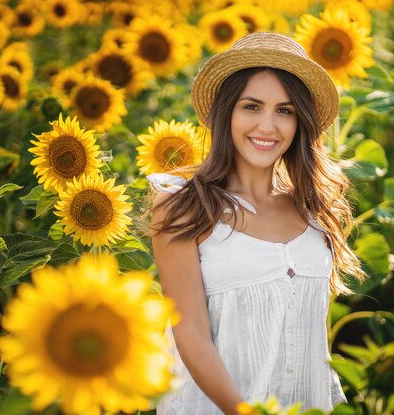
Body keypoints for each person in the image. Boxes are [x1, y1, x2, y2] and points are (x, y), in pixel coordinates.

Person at [148, 32, 365, 415]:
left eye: (285, 111)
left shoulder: (314, 210)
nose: (268, 126)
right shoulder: (184, 206)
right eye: (252, 106)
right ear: (226, 111)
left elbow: (311, 336)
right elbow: (191, 334)